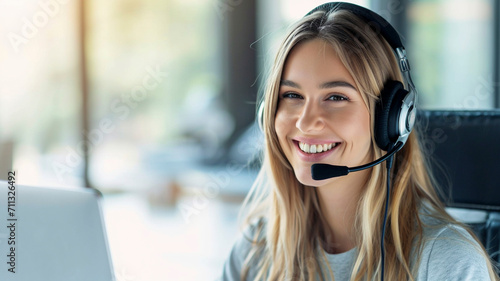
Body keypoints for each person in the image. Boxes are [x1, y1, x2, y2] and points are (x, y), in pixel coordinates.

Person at [221, 2, 500, 281]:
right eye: (292, 96)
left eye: (336, 97)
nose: (306, 122)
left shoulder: (446, 261)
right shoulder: (255, 250)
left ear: (391, 119)